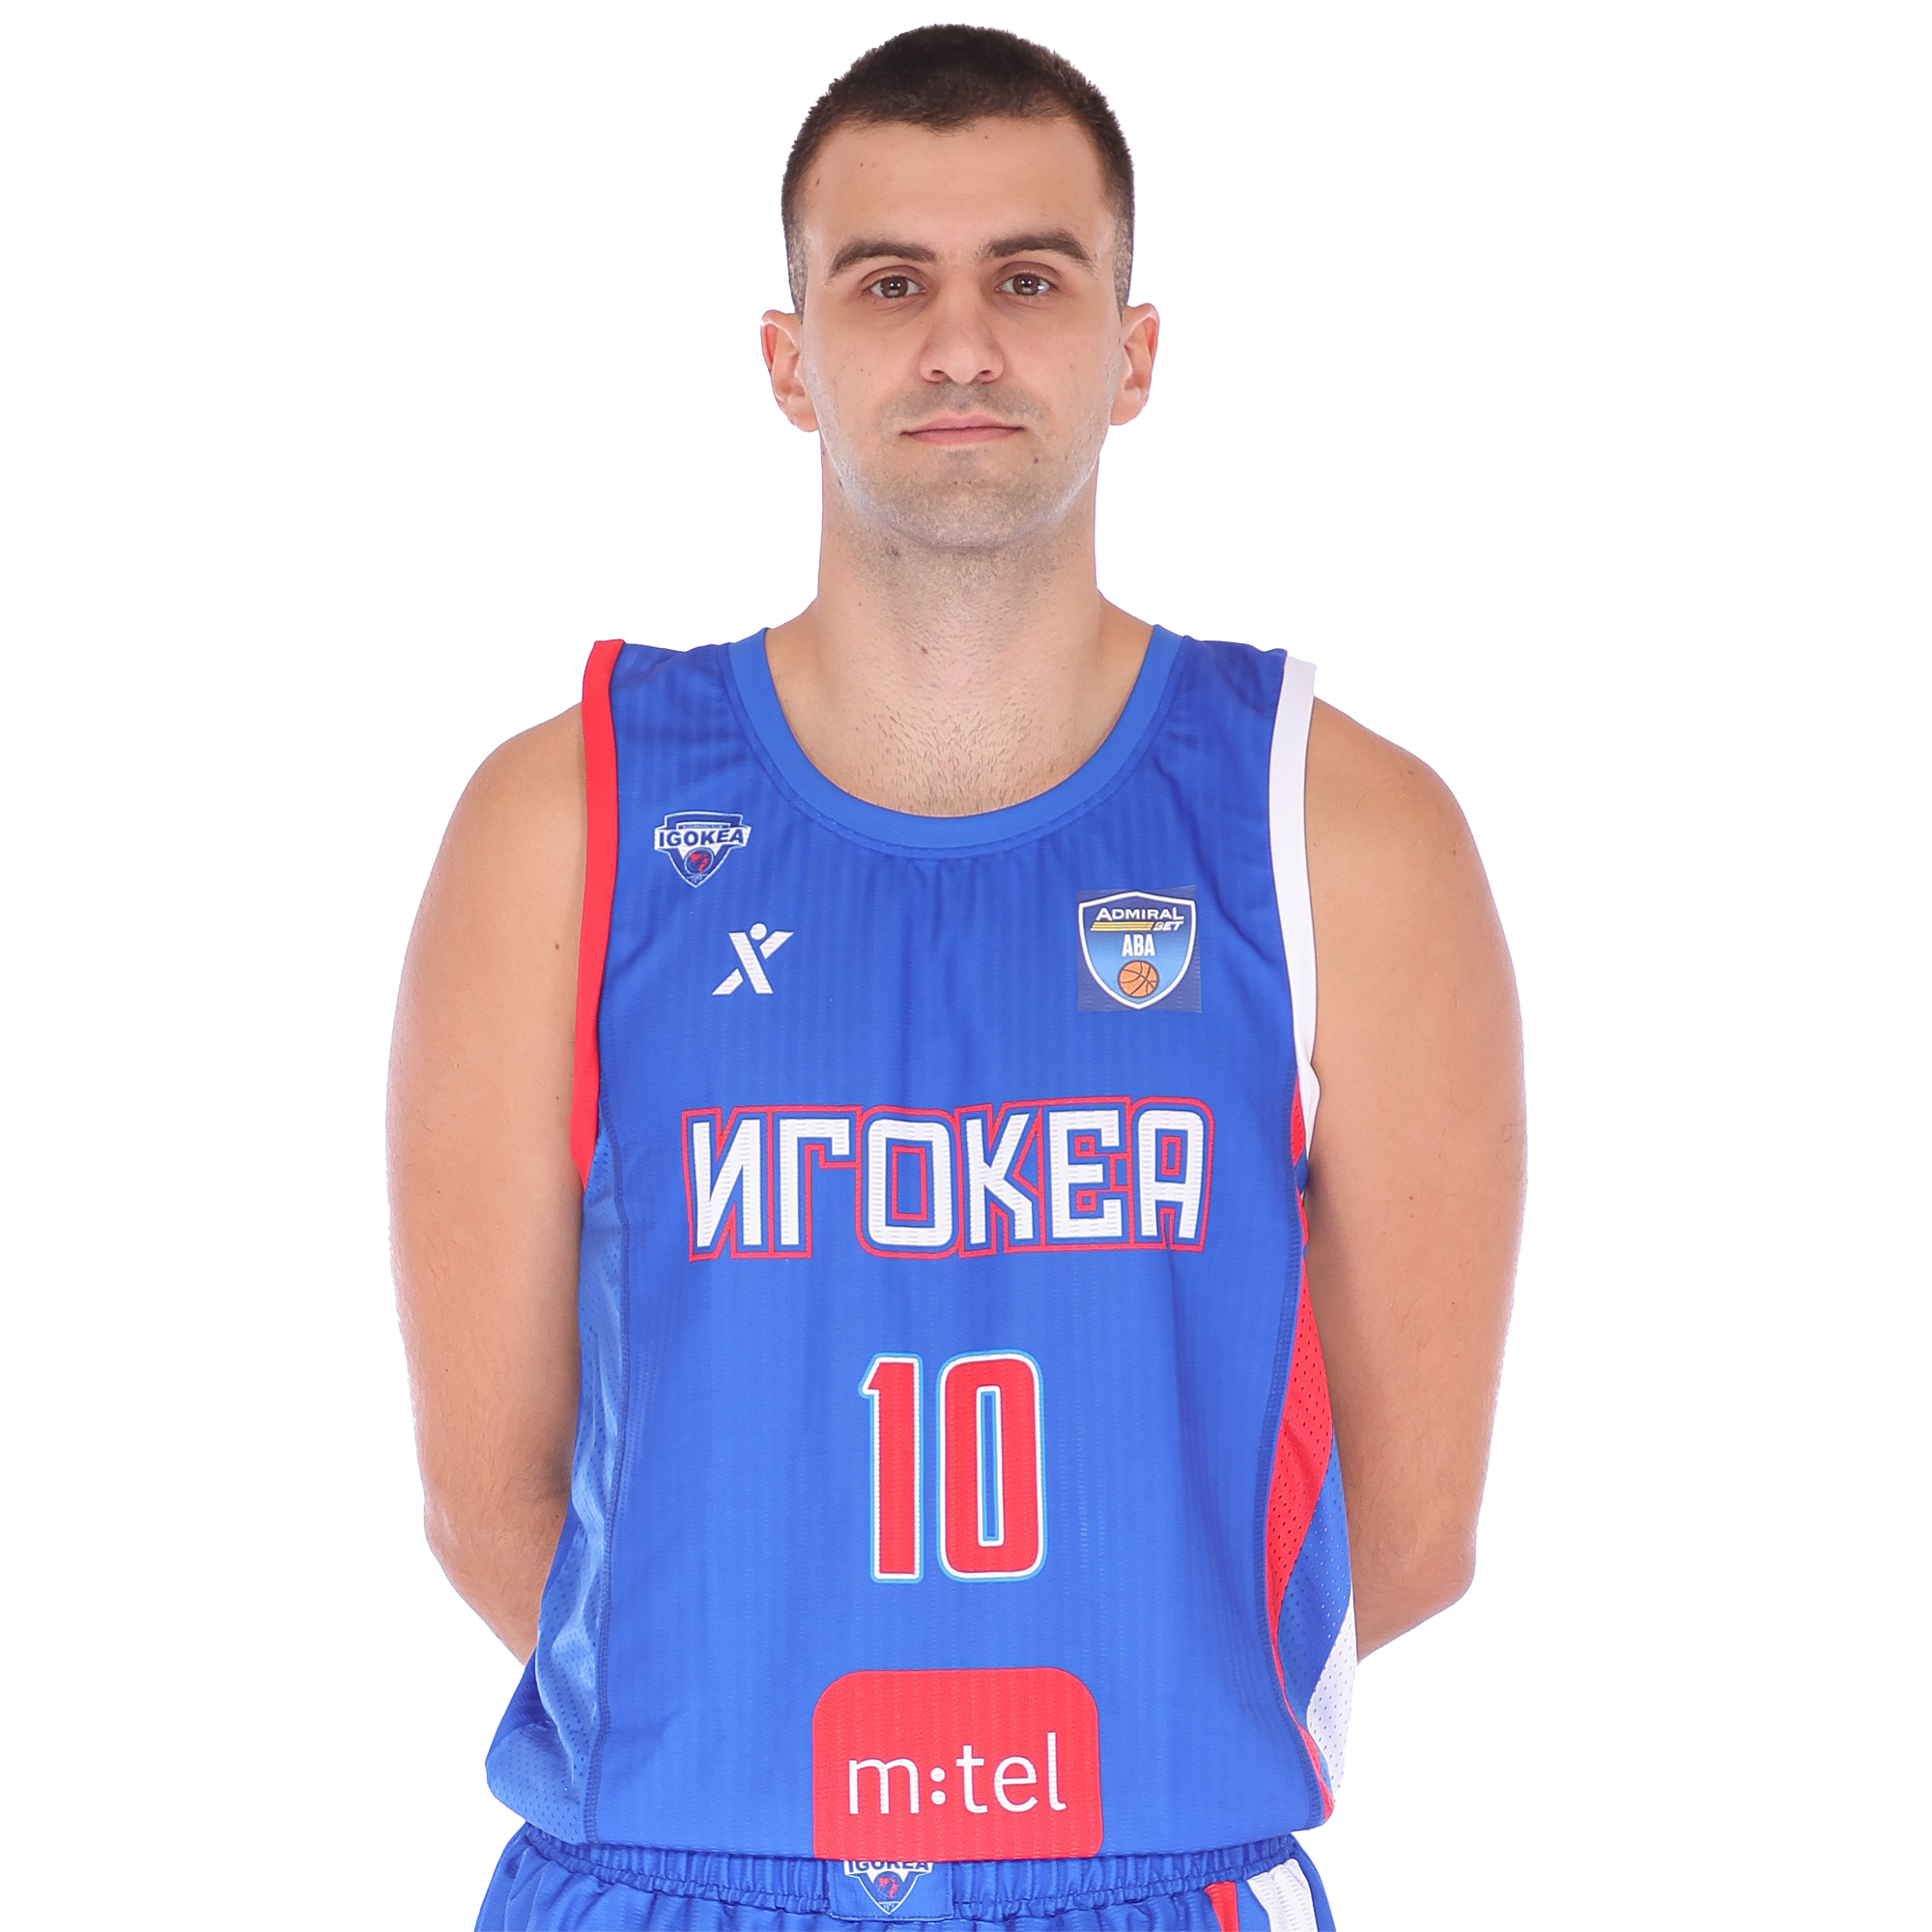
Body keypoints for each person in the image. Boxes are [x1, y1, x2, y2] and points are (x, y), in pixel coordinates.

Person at [388, 25, 1524, 1932]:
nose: (963, 346)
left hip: (1141, 1877)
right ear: (790, 357)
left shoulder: (1332, 822)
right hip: (675, 1874)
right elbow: (485, 1498)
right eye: (890, 283)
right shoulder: (565, 818)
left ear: (1133, 352)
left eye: (1030, 279)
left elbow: (1405, 1532)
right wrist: (770, 1768)